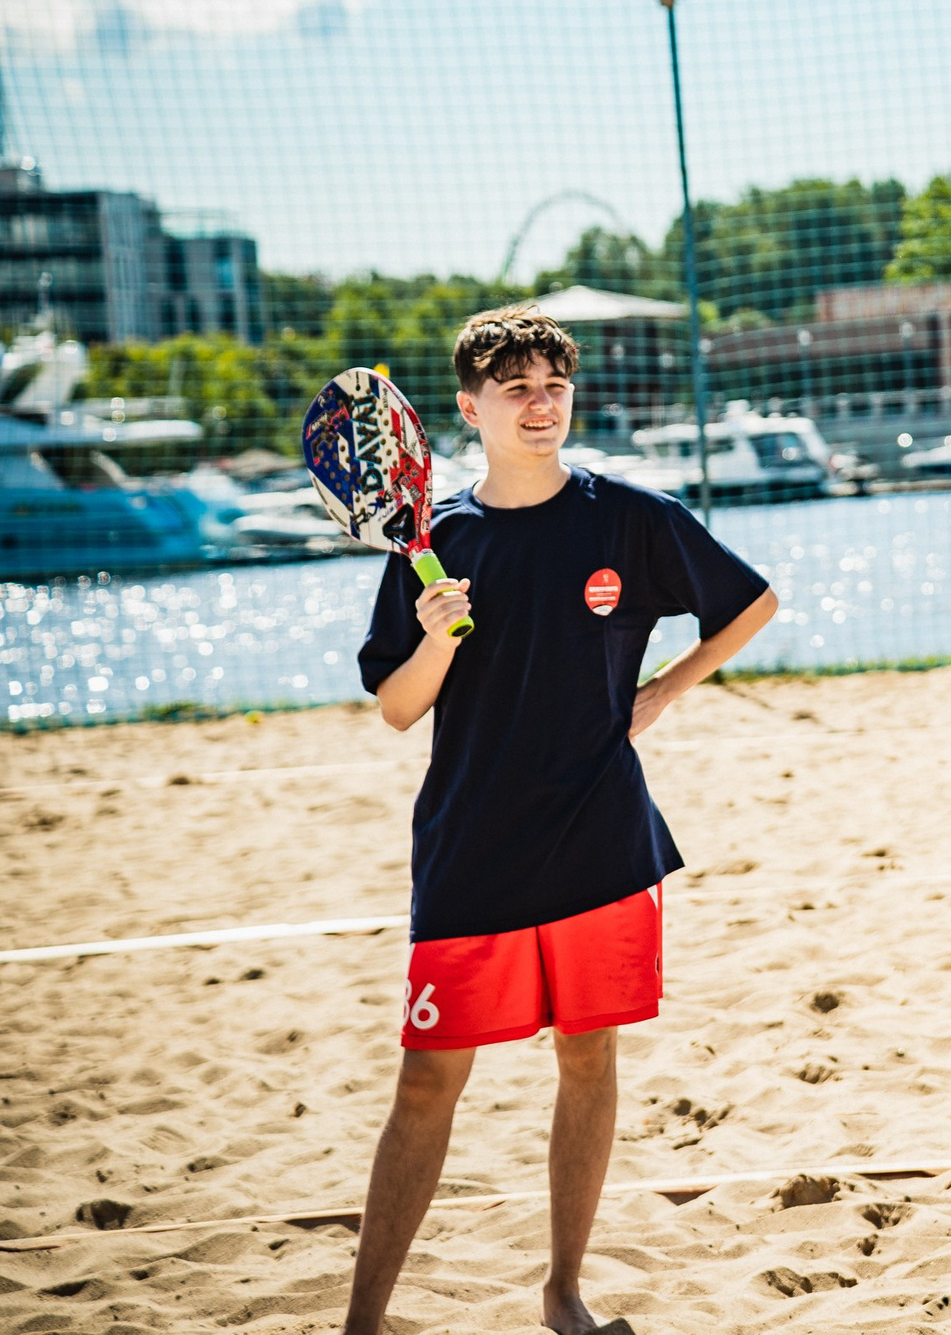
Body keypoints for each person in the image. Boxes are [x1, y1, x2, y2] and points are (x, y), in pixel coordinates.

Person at [345, 307, 778, 1335]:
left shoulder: (629, 516)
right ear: (469, 408)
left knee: (588, 1062)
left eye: (554, 386)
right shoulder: (439, 539)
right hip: (473, 852)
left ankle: (562, 1294)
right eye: (516, 389)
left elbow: (751, 603)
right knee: (425, 1088)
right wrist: (439, 638)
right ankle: (362, 1322)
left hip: (600, 841)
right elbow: (398, 707)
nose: (540, 405)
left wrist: (664, 690)